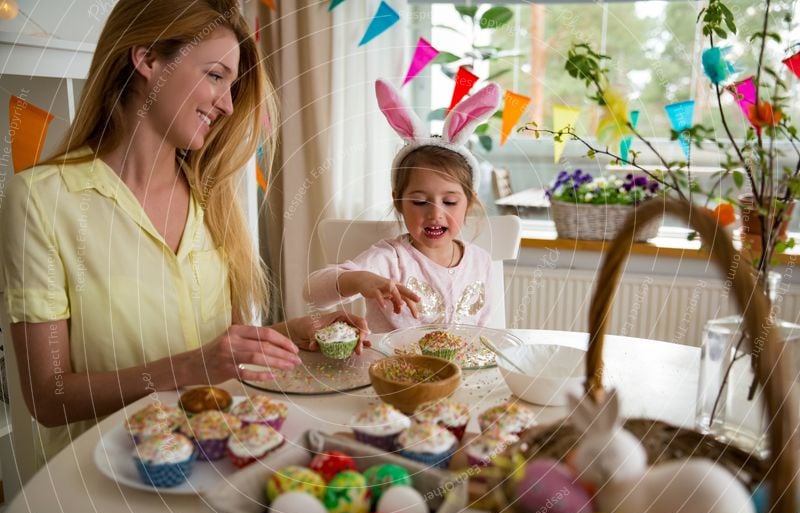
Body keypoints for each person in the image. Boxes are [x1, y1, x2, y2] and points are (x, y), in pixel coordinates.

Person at [0, 0, 368, 463]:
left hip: (218, 457)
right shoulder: (41, 199)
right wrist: (192, 367)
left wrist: (291, 333)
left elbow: (219, 353)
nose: (228, 104)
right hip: (107, 479)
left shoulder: (212, 199)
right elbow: (49, 399)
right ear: (148, 59)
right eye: (216, 75)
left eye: (231, 85)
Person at [303, 79, 502, 333]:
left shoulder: (481, 262)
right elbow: (311, 292)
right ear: (398, 201)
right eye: (419, 202)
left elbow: (483, 332)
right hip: (394, 370)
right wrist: (360, 279)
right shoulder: (390, 260)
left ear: (469, 202)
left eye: (450, 202)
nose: (435, 214)